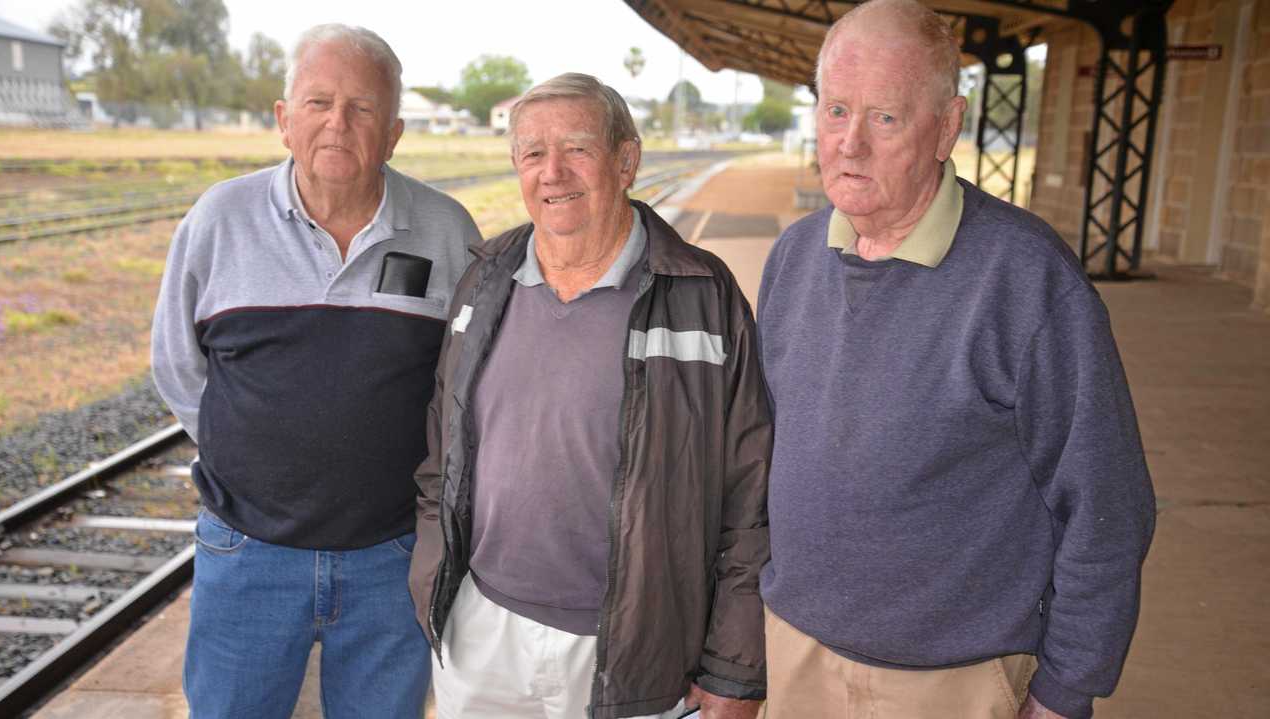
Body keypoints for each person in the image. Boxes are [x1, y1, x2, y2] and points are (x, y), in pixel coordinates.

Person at [756, 2, 1156, 718]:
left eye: (884, 118)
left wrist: (1067, 686)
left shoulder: (1027, 279)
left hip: (954, 679)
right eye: (836, 110)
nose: (849, 144)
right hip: (794, 652)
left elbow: (1107, 503)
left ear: (947, 127)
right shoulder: (793, 257)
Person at [408, 73, 770, 719]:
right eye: (532, 153)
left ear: (625, 160)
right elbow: (443, 455)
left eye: (576, 148)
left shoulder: (700, 294)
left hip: (639, 648)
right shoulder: (484, 282)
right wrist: (432, 576)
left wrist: (733, 668)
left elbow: (750, 496)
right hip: (485, 635)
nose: (552, 173)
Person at [150, 23, 480, 718]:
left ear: (392, 133)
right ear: (283, 120)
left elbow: (466, 390)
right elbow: (178, 367)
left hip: (391, 559)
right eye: (319, 102)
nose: (338, 123)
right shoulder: (219, 220)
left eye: (362, 108)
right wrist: (254, 459)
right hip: (247, 554)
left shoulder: (447, 232)